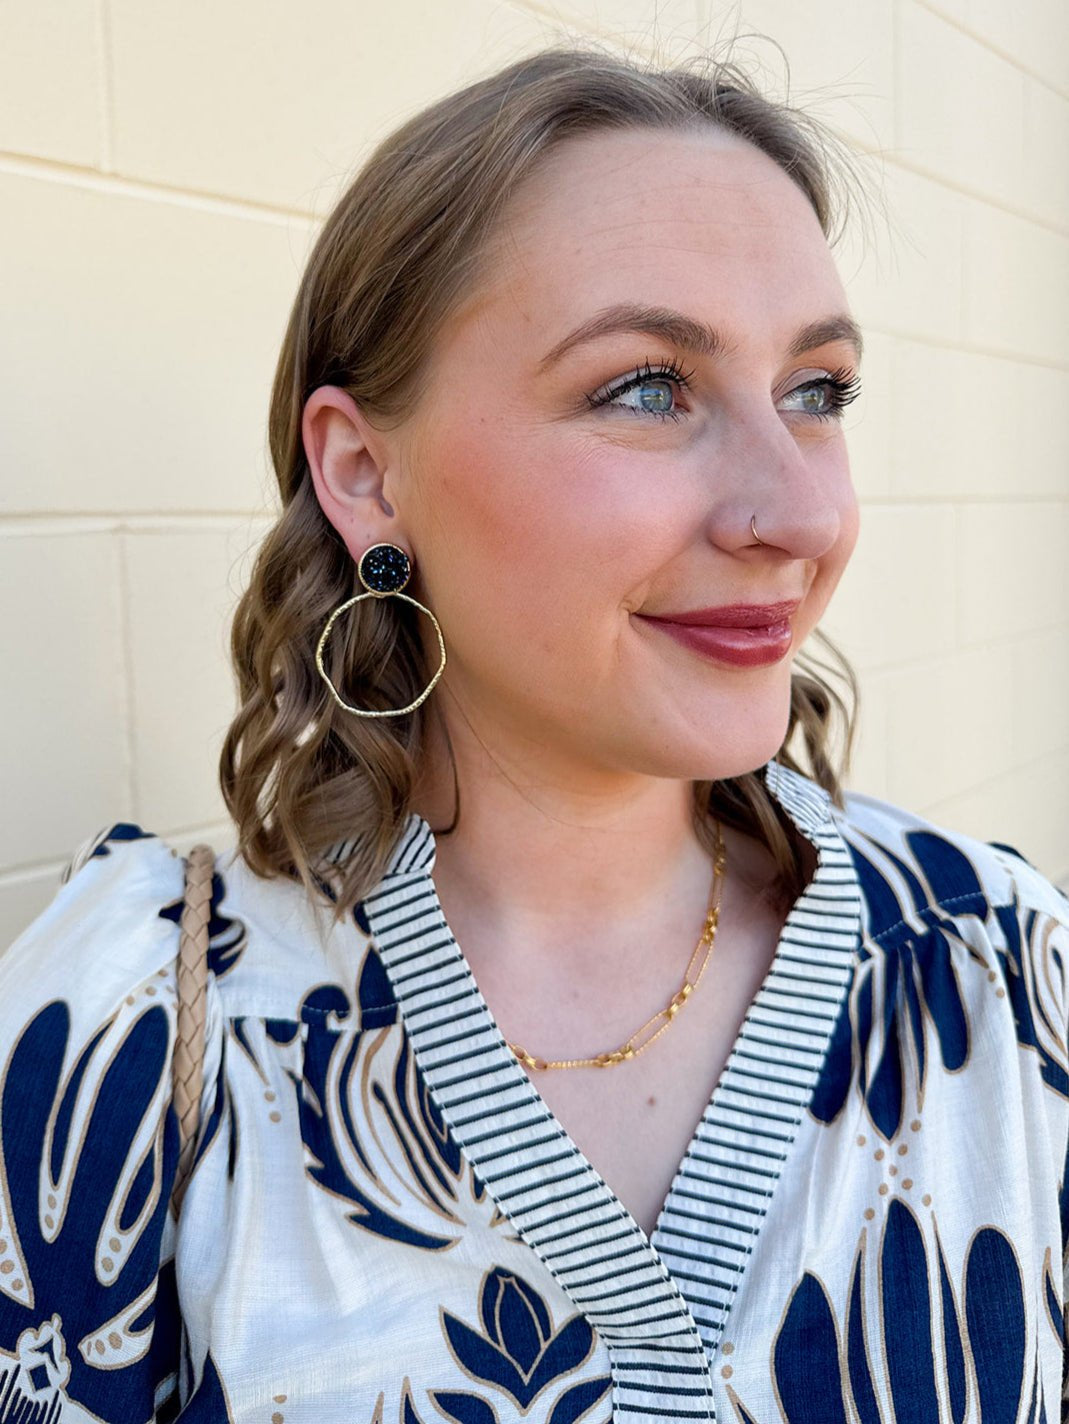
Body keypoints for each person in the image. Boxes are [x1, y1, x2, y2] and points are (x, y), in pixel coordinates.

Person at [0, 43, 1066, 1423]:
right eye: (645, 388)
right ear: (365, 472)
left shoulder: (996, 970)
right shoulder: (137, 1040)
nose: (796, 518)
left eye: (816, 392)